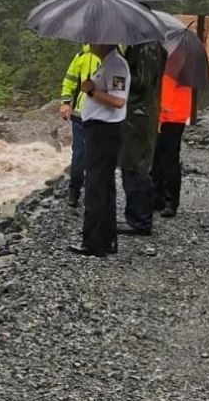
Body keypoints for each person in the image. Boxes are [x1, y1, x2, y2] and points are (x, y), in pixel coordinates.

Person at [68, 44, 130, 257]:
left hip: (104, 131)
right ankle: (107, 239)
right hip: (100, 129)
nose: (90, 43)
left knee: (96, 186)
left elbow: (118, 100)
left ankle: (93, 243)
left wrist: (91, 90)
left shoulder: (116, 65)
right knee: (104, 186)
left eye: (94, 39)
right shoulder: (108, 63)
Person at [117, 42, 166, 236]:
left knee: (135, 166)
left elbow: (143, 83)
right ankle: (136, 217)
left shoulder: (148, 47)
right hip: (138, 113)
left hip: (139, 115)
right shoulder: (145, 46)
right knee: (132, 165)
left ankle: (140, 220)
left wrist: (120, 74)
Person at [59, 45, 102, 208]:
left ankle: (94, 194)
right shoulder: (82, 56)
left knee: (98, 157)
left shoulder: (114, 56)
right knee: (78, 156)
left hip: (101, 116)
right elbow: (69, 79)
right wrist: (65, 102)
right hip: (80, 114)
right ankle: (74, 191)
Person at [151, 74, 192, 218]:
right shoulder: (183, 68)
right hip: (175, 116)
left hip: (170, 118)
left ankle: (168, 201)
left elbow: (166, 96)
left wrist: (160, 118)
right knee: (160, 158)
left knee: (167, 160)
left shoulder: (172, 70)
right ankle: (161, 198)